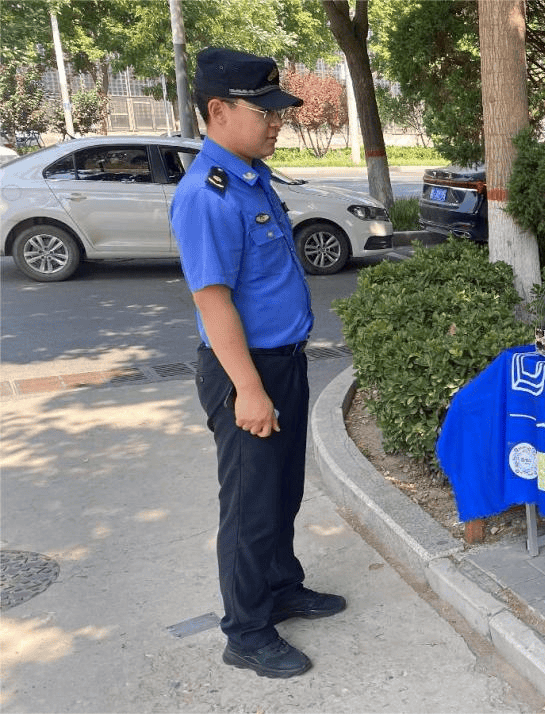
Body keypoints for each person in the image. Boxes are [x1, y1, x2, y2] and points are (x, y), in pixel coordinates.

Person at [170, 47, 346, 678]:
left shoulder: (249, 173)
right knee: (248, 505)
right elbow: (213, 302)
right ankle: (245, 630)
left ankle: (280, 587)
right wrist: (248, 389)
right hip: (246, 373)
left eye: (279, 110)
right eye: (264, 110)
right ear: (218, 111)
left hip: (283, 364)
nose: (278, 121)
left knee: (280, 493)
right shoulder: (207, 195)